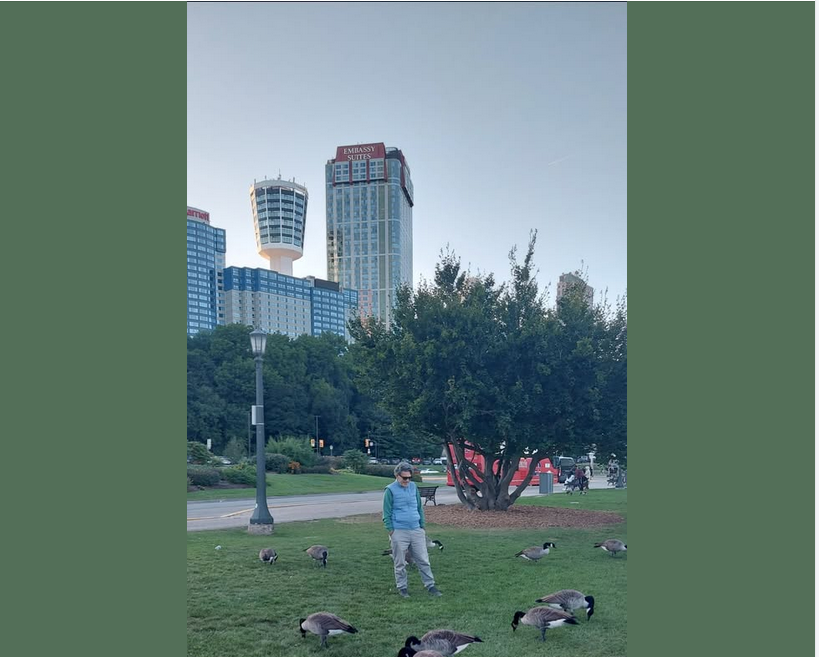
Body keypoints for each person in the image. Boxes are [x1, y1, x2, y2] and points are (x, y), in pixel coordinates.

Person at [382, 462, 442, 598]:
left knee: (423, 560)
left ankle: (430, 585)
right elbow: (386, 512)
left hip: (416, 529)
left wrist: (422, 525)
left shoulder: (413, 487)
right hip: (399, 531)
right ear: (397, 476)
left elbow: (419, 507)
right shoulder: (390, 490)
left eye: (410, 477)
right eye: (404, 478)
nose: (407, 480)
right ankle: (402, 588)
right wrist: (391, 530)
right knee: (400, 562)